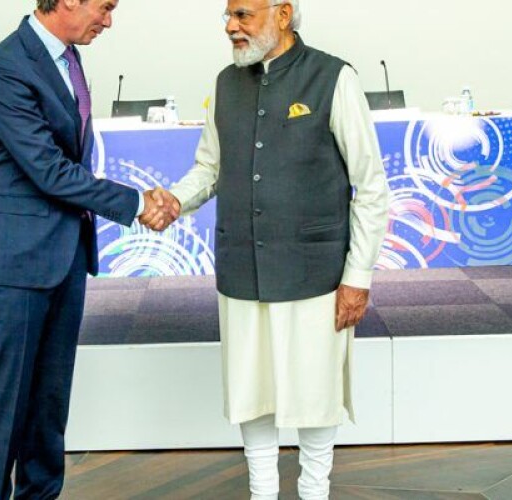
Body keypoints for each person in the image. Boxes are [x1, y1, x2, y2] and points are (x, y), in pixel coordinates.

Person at [142, 1, 389, 498]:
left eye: (243, 15)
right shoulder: (224, 83)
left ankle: (314, 492)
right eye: (228, 16)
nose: (231, 26)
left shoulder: (333, 78)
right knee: (251, 392)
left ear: (282, 13)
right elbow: (209, 169)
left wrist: (357, 276)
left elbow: (371, 185)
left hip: (315, 272)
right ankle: (262, 492)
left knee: (315, 394)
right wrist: (174, 200)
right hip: (242, 270)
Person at [0, 1, 173, 498]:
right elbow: (48, 169)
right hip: (14, 261)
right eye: (105, 7)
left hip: (62, 257)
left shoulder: (69, 58)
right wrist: (137, 202)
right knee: (7, 404)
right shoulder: (6, 65)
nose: (109, 20)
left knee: (49, 404)